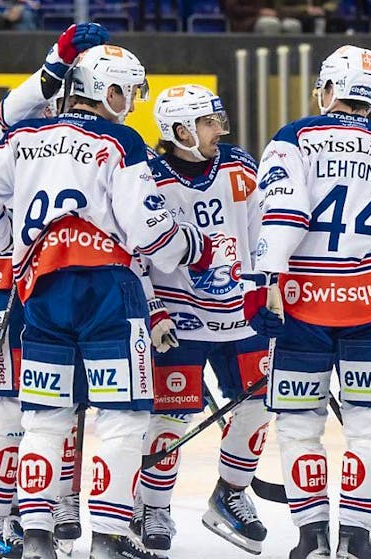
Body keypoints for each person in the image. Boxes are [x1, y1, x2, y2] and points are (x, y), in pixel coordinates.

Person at [0, 43, 214, 559]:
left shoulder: (25, 136)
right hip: (108, 293)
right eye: (129, 91)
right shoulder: (120, 140)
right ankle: (109, 539)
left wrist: (12, 248)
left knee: (43, 418)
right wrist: (194, 246)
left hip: (41, 292)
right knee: (122, 418)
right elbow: (150, 234)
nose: (133, 103)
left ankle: (36, 536)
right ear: (107, 91)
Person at [246, 45, 371, 559]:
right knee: (370, 426)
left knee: (299, 423)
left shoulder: (295, 138)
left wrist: (264, 282)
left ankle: (312, 537)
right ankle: (357, 539)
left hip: (302, 308)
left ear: (327, 88)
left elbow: (284, 214)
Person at [0, 23, 109, 559]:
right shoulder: (23, 128)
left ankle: (53, 502)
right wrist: (56, 59)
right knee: (10, 402)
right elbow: (6, 115)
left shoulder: (93, 137)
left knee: (65, 399)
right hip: (9, 284)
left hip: (62, 283)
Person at [126, 84, 272, 557]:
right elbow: (134, 252)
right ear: (181, 130)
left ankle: (231, 492)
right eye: (209, 123)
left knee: (260, 403)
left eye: (216, 121)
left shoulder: (239, 167)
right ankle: (152, 507)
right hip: (179, 319)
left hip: (241, 316)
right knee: (170, 416)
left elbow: (263, 233)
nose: (218, 130)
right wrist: (152, 309)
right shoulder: (148, 177)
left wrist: (267, 291)